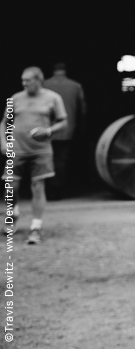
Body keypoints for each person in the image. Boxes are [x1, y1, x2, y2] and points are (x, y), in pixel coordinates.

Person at [10, 66, 67, 244]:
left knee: (37, 185)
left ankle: (36, 226)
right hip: (17, 149)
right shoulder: (15, 98)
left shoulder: (53, 98)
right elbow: (4, 122)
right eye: (22, 80)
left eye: (28, 80)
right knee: (11, 185)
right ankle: (13, 211)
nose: (24, 83)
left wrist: (48, 130)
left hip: (40, 150)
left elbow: (63, 121)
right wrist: (4, 143)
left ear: (38, 80)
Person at [41, 62, 87, 199]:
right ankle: (57, 191)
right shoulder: (75, 85)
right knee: (61, 160)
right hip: (66, 129)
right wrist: (82, 126)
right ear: (65, 70)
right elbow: (83, 109)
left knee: (45, 159)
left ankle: (48, 190)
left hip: (44, 129)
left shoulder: (44, 85)